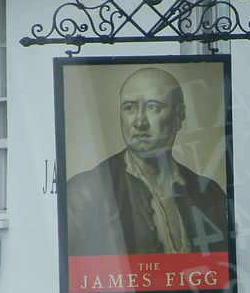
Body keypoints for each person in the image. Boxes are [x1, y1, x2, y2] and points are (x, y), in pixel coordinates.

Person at [66, 67, 228, 256]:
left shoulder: (210, 194)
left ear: (179, 114)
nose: (140, 122)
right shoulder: (84, 193)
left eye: (153, 107)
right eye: (130, 108)